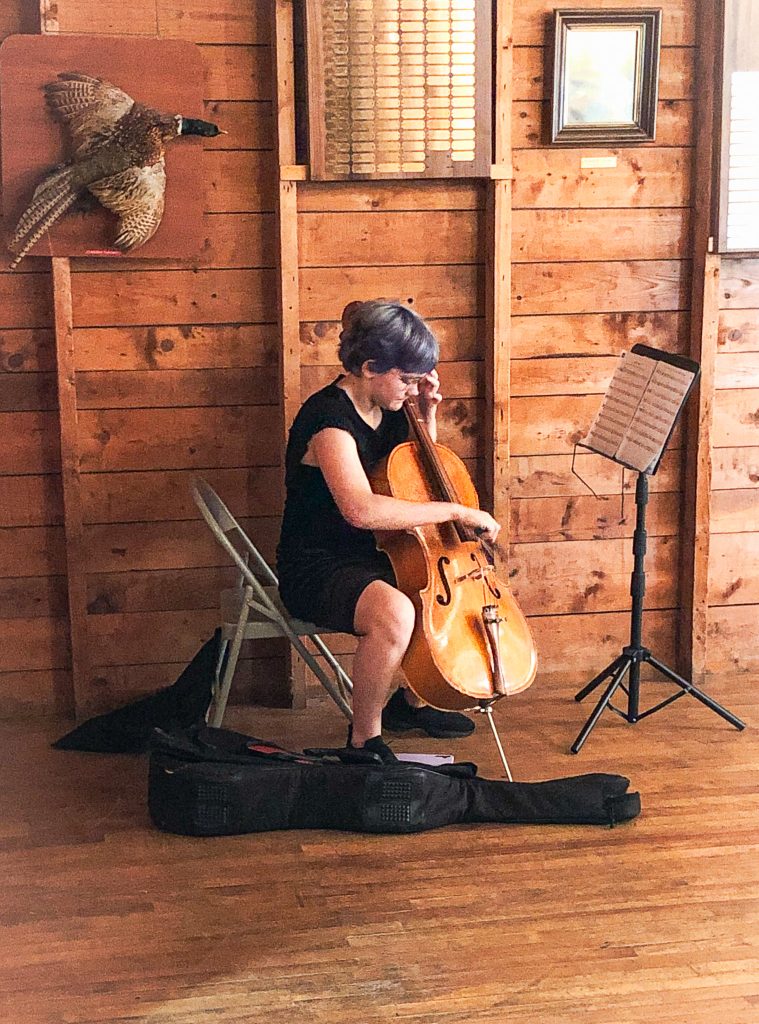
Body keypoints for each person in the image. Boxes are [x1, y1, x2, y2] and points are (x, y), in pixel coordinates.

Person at [276, 300, 501, 761]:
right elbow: (361, 510)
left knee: (431, 585)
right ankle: (364, 741)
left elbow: (415, 477)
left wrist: (426, 413)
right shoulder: (329, 422)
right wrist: (454, 510)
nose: (411, 387)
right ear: (368, 366)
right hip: (317, 564)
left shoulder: (390, 404)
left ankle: (413, 701)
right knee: (397, 612)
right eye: (406, 377)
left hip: (372, 554)